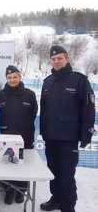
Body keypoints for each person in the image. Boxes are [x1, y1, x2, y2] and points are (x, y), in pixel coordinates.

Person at [40, 45, 95, 212]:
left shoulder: (79, 80)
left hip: (69, 139)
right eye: (54, 59)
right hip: (51, 137)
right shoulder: (47, 82)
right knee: (53, 172)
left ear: (67, 59)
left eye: (60, 58)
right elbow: (44, 109)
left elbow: (89, 108)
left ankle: (68, 206)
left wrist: (87, 132)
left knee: (66, 175)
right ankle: (55, 199)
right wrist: (43, 131)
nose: (56, 61)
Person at [0, 65, 38, 205]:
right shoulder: (0, 95)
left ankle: (21, 191)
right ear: (6, 79)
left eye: (15, 77)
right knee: (8, 164)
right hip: (6, 137)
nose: (12, 80)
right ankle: (9, 190)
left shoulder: (30, 94)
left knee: (22, 166)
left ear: (20, 77)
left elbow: (33, 116)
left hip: (25, 137)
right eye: (9, 77)